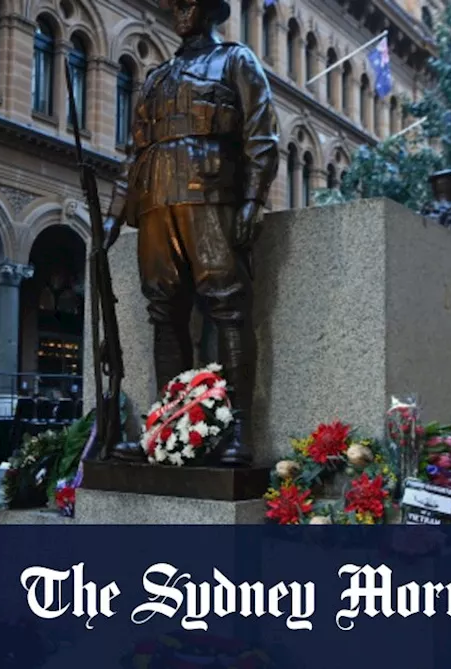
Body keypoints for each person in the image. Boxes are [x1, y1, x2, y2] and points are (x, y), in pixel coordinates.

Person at [104, 0, 278, 466]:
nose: (181, 11)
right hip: (157, 203)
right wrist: (113, 215)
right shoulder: (156, 77)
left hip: (212, 198)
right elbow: (134, 152)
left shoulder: (236, 61)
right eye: (175, 4)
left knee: (228, 307)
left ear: (211, 10)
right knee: (164, 311)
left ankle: (239, 428)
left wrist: (252, 200)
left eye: (191, 3)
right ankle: (166, 428)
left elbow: (262, 137)